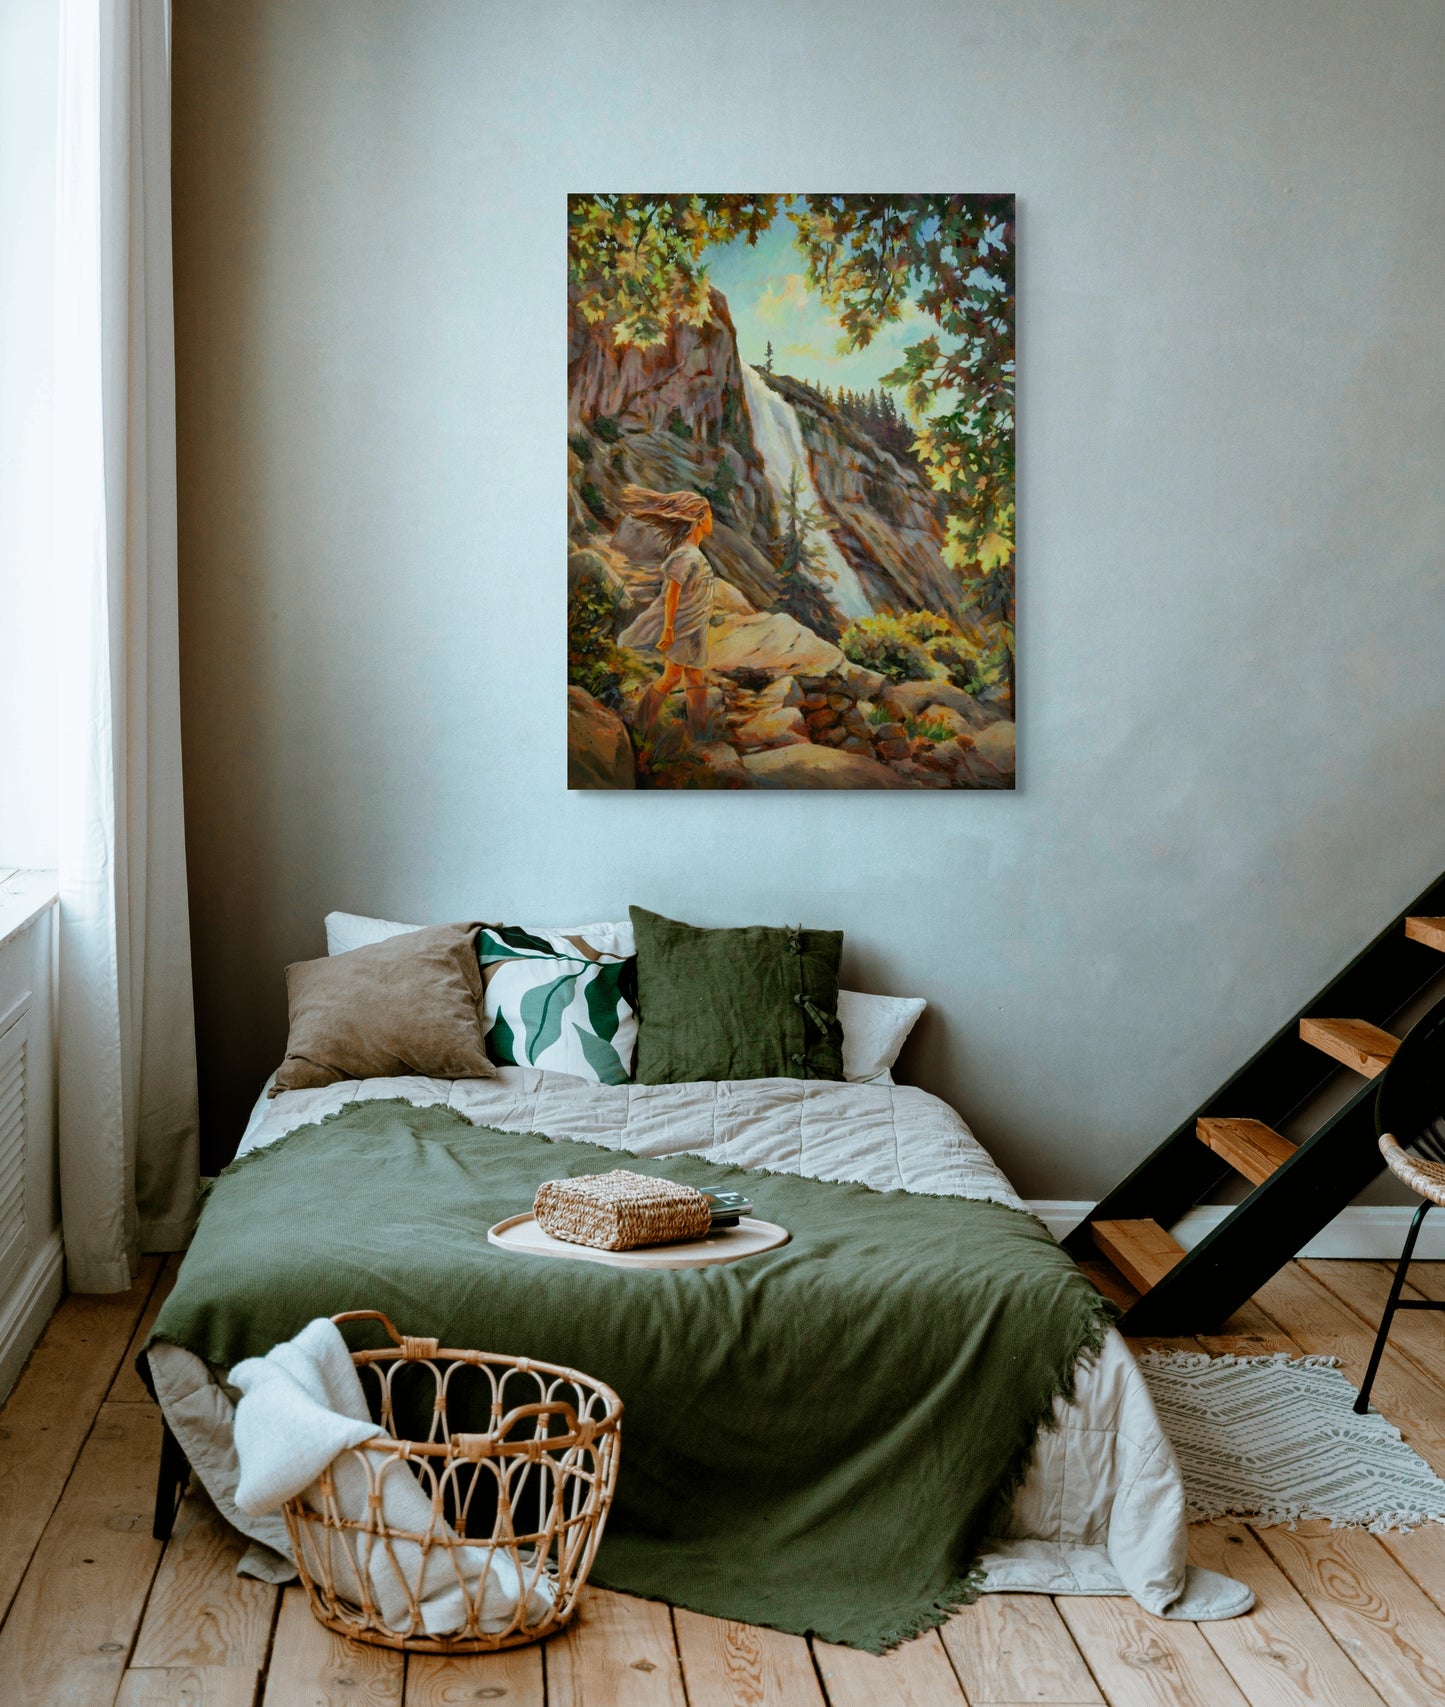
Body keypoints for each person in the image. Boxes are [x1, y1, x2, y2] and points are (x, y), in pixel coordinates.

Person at [615, 486, 716, 738]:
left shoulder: (694, 553)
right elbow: (671, 594)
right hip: (683, 627)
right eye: (711, 516)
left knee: (694, 677)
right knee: (672, 677)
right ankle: (641, 724)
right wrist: (668, 629)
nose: (713, 521)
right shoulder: (684, 554)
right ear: (700, 520)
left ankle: (699, 734)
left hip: (696, 628)